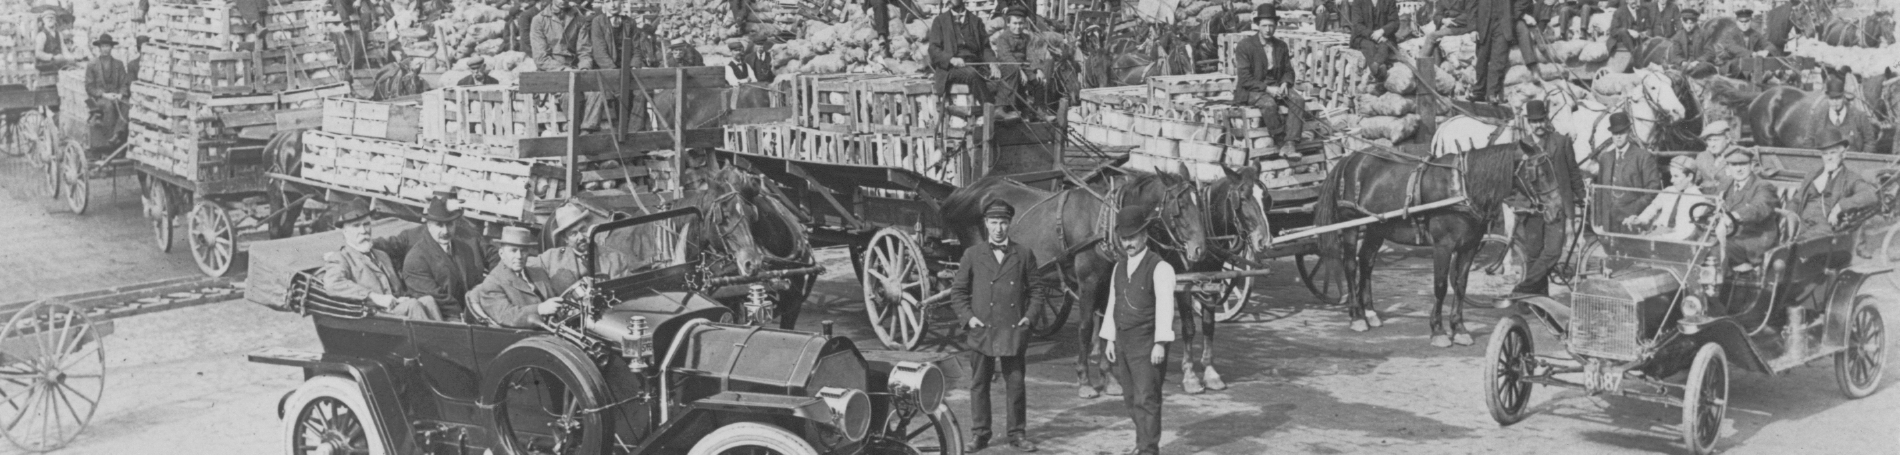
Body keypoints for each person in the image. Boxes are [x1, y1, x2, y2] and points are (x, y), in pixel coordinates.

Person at [951, 200, 1040, 454]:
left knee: (1016, 383)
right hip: (982, 329)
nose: (999, 228)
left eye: (1003, 222)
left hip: (1013, 329)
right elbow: (958, 292)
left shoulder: (1023, 254)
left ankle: (1017, 434)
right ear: (986, 224)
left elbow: (1037, 291)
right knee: (979, 384)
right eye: (993, 222)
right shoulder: (972, 254)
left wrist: (1029, 318)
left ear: (1009, 224)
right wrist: (969, 318)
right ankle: (980, 434)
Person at [1099, 206, 1176, 455]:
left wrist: (1160, 343)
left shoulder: (1160, 268)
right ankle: (1142, 442)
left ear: (1144, 235)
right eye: (1124, 238)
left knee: (1147, 399)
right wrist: (1110, 339)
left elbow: (1166, 307)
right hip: (1123, 341)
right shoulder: (1119, 267)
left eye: (1133, 237)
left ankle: (1148, 449)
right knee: (1131, 399)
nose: (1128, 243)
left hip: (1147, 343)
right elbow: (1113, 302)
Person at [1506, 100, 1584, 299]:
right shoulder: (1521, 147)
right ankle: (1537, 300)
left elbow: (1573, 173)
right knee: (1533, 256)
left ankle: (1523, 289)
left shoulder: (1561, 142)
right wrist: (1514, 202)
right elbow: (1512, 179)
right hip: (1531, 210)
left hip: (1557, 207)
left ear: (1546, 119)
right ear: (1528, 123)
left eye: (1541, 120)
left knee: (1553, 253)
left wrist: (1581, 199)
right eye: (1534, 122)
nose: (1538, 125)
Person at [321, 197, 442, 321]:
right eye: (356, 226)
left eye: (366, 224)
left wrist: (400, 298)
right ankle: (433, 339)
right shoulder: (341, 258)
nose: (363, 231)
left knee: (428, 300)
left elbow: (394, 291)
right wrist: (373, 297)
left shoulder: (382, 255)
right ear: (345, 231)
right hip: (372, 316)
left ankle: (446, 337)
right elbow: (332, 284)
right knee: (412, 305)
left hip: (393, 310)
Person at [1232, 5, 1305, 154]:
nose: (1268, 29)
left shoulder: (1281, 46)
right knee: (1268, 103)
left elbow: (1288, 70)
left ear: (1276, 26)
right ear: (1257, 25)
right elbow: (1245, 79)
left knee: (1298, 100)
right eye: (1264, 25)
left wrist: (1285, 83)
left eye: (1271, 26)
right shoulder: (1245, 46)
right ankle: (1280, 140)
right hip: (1252, 89)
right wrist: (1267, 89)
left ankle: (1290, 143)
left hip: (1276, 85)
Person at [401, 198, 489, 319]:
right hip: (441, 319)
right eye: (439, 225)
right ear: (429, 225)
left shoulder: (465, 250)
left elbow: (475, 283)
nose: (445, 231)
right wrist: (464, 315)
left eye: (450, 224)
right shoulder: (416, 259)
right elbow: (438, 299)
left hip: (470, 315)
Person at [471, 226, 563, 328]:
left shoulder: (539, 273)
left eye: (523, 250)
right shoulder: (492, 283)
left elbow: (553, 299)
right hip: (524, 338)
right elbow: (506, 316)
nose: (519, 256)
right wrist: (540, 309)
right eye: (513, 251)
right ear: (501, 253)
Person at [1588, 112, 1663, 233]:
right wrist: (1600, 220)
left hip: (1631, 220)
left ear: (1629, 132)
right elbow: (1601, 191)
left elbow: (1653, 189)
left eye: (1621, 132)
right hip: (1608, 222)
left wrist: (1633, 209)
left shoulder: (1643, 157)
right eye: (1615, 133)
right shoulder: (1605, 158)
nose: (1618, 137)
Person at [1790, 138, 1878, 240]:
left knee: (1796, 244)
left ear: (1843, 154)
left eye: (1833, 153)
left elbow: (1870, 195)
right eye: (1825, 154)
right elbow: (1796, 201)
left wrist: (1840, 206)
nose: (1829, 158)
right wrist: (1789, 218)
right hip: (1802, 223)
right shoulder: (1812, 176)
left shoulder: (1851, 178)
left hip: (1825, 228)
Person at [536, 203, 635, 293]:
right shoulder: (550, 259)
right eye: (573, 234)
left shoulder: (617, 258)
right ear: (565, 239)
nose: (581, 237)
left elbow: (630, 292)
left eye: (583, 229)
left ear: (589, 227)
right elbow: (524, 265)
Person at [1714, 149, 1780, 271]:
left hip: (1753, 240)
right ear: (1728, 167)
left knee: (1713, 250)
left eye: (1743, 164)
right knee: (1696, 244)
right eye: (1734, 165)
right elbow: (1716, 206)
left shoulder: (1763, 186)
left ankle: (1719, 285)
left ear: (1752, 166)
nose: (1738, 169)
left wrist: (1733, 216)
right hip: (1731, 235)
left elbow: (1759, 208)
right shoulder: (1725, 183)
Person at [927, 0, 998, 105]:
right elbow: (933, 49)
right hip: (950, 69)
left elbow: (985, 48)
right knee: (972, 74)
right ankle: (991, 109)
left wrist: (993, 63)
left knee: (1008, 70)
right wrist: (951, 59)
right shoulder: (940, 21)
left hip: (976, 65)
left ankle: (1005, 108)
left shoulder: (976, 21)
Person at [1625, 156, 1714, 240]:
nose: (1671, 180)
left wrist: (1661, 238)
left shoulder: (1698, 200)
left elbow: (1687, 233)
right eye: (1671, 176)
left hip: (1675, 240)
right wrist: (1639, 220)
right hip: (1657, 232)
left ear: (1689, 177)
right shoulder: (1668, 191)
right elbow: (1652, 208)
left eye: (1676, 176)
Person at [1470, 0, 1535, 102]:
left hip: (1503, 25)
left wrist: (1513, 14)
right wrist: (1473, 29)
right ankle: (1478, 92)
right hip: (1483, 25)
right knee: (1482, 59)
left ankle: (1491, 93)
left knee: (1498, 59)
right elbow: (1471, 6)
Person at [85, 34, 131, 152]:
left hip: (116, 96)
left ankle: (117, 134)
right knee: (108, 106)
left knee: (126, 104)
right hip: (100, 99)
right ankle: (109, 142)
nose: (105, 48)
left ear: (111, 48)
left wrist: (121, 94)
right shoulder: (92, 64)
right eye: (103, 46)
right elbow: (89, 87)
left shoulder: (118, 64)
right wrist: (104, 95)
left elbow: (124, 82)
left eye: (108, 46)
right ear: (99, 48)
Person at [1821, 76, 1881, 154]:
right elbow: (1810, 140)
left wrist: (1864, 157)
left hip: (1854, 161)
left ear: (1844, 97)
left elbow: (1870, 141)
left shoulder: (1860, 116)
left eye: (1838, 98)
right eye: (1832, 98)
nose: (1835, 102)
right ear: (1827, 98)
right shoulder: (1820, 117)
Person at [1346, 0, 1399, 89]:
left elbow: (1395, 22)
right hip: (1363, 36)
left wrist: (1382, 31)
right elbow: (1358, 25)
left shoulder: (1389, 1)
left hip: (1384, 36)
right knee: (1369, 46)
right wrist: (1372, 35)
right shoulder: (1358, 2)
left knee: (1384, 47)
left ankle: (1376, 66)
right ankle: (1379, 72)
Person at [992, 8, 1034, 115]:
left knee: (1037, 78)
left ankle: (1039, 109)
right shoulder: (1003, 38)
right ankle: (1001, 107)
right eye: (1015, 23)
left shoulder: (1026, 38)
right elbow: (1006, 57)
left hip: (1023, 66)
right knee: (1013, 69)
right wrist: (1020, 71)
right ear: (1008, 23)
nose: (1018, 26)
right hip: (1008, 66)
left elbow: (1031, 54)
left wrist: (1037, 69)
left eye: (1021, 23)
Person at [531, 0, 579, 70]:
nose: (563, 1)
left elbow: (584, 50)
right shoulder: (539, 20)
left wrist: (584, 68)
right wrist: (562, 69)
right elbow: (540, 58)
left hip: (576, 67)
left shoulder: (578, 18)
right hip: (551, 70)